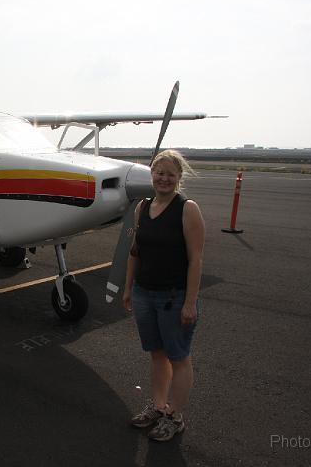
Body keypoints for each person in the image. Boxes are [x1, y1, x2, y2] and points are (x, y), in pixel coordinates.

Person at [123, 149, 205, 441]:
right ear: (152, 174)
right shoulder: (142, 207)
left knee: (178, 356)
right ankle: (158, 407)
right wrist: (129, 287)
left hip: (174, 297)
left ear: (179, 178)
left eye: (171, 174)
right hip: (145, 293)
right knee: (157, 354)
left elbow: (195, 260)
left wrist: (190, 302)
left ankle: (175, 415)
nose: (164, 179)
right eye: (159, 173)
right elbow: (135, 251)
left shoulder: (187, 209)